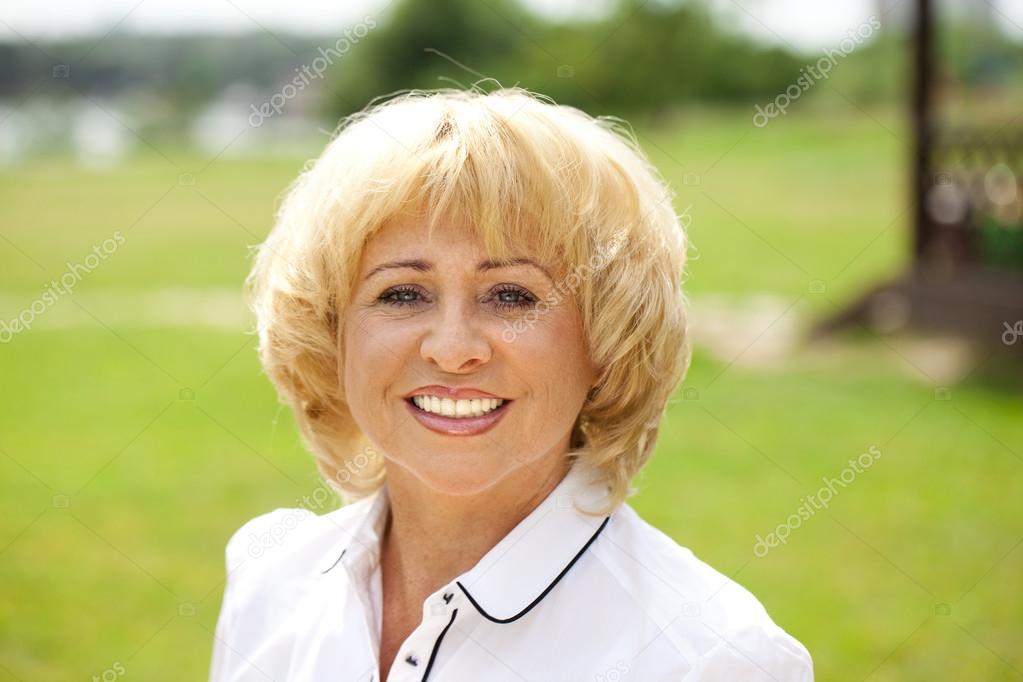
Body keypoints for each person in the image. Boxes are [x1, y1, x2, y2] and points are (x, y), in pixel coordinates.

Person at [209, 87, 813, 681]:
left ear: (607, 339)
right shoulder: (270, 579)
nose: (452, 348)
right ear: (331, 331)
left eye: (511, 296)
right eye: (401, 293)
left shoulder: (711, 657)